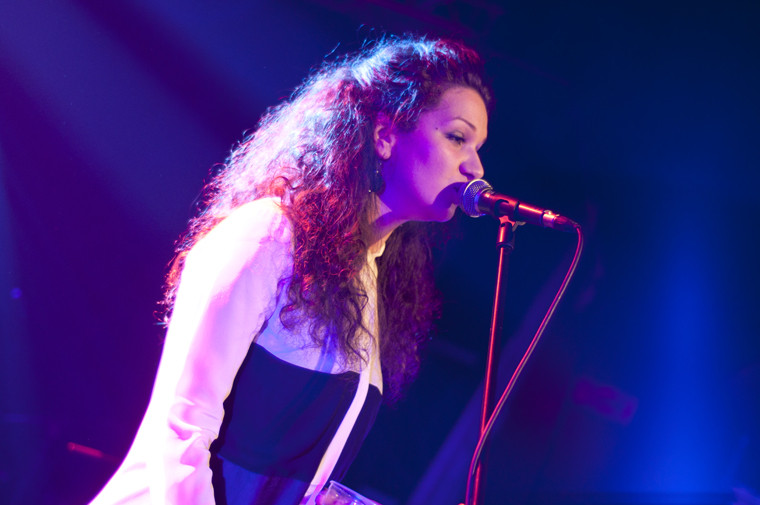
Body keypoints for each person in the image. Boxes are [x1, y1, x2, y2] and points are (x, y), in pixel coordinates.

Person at [89, 34, 492, 505]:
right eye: (457, 137)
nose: (476, 168)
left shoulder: (367, 278)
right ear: (385, 136)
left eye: (478, 147)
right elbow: (181, 430)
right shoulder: (268, 236)